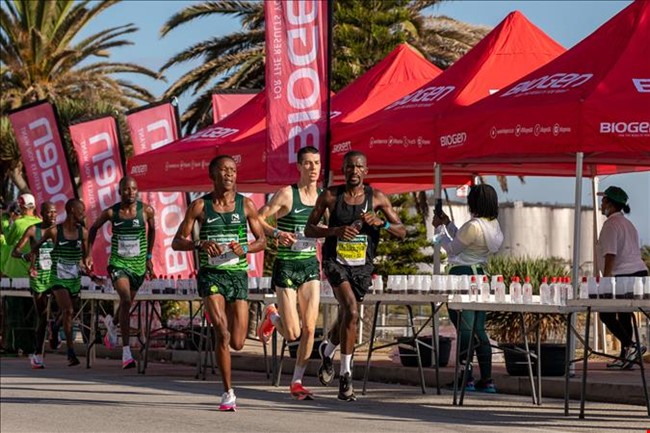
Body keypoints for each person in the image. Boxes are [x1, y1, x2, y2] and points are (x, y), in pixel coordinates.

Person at [305, 150, 405, 402]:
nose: (354, 171)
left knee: (346, 316)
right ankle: (346, 375)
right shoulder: (330, 196)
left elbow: (402, 231)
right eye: (350, 166)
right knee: (351, 310)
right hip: (335, 263)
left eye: (359, 167)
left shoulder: (377, 198)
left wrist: (381, 223)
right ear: (343, 169)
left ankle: (327, 350)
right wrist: (335, 230)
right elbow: (309, 229)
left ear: (366, 171)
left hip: (362, 267)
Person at [172, 155, 265, 411]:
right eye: (223, 170)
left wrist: (245, 248)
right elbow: (177, 242)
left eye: (233, 170)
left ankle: (268, 318)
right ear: (212, 175)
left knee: (238, 342)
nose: (229, 174)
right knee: (222, 332)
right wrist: (200, 243)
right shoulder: (200, 206)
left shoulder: (246, 205)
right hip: (211, 275)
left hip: (237, 276)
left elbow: (262, 241)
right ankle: (228, 392)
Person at [256, 146, 322, 400]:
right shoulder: (287, 194)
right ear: (299, 166)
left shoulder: (322, 197)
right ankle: (272, 316)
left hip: (310, 266)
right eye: (308, 163)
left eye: (317, 163)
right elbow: (258, 218)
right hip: (286, 266)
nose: (313, 168)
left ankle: (297, 381)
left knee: (310, 328)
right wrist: (276, 233)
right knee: (293, 333)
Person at [432, 184, 504, 393]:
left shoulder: (473, 226)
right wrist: (448, 224)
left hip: (461, 276)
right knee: (478, 329)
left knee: (464, 328)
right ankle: (487, 379)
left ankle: (465, 377)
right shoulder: (493, 226)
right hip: (480, 276)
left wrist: (438, 230)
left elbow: (452, 248)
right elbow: (462, 240)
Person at [88, 176, 155, 369]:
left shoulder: (146, 211)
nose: (130, 192)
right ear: (120, 192)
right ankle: (126, 353)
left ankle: (112, 322)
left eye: (134, 189)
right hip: (118, 263)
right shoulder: (111, 212)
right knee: (125, 300)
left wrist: (149, 257)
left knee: (127, 303)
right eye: (126, 189)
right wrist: (88, 254)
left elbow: (153, 231)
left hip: (138, 266)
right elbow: (93, 228)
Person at [30, 199, 90, 366]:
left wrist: (88, 261)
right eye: (81, 211)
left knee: (71, 311)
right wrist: (32, 265)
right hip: (57, 278)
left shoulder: (83, 233)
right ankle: (70, 353)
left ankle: (56, 327)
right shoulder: (55, 231)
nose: (84, 214)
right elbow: (35, 248)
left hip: (74, 279)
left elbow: (86, 255)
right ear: (72, 211)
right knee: (68, 310)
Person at [597, 186, 648, 369]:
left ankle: (631, 346)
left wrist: (606, 280)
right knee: (624, 314)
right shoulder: (628, 224)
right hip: (639, 273)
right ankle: (626, 356)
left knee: (606, 314)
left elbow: (610, 254)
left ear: (610, 204)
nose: (601, 204)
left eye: (603, 201)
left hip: (624, 275)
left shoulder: (611, 225)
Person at [11, 202, 57, 368]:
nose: (53, 215)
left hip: (55, 276)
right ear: (41, 214)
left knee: (65, 307)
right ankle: (37, 354)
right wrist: (25, 257)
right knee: (42, 316)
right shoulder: (33, 230)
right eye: (49, 212)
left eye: (55, 212)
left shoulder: (58, 231)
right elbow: (15, 251)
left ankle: (55, 328)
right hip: (38, 277)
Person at [1, 194, 41, 277]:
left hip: (17, 272)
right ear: (34, 206)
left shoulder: (19, 223)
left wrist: (5, 218)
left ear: (21, 207)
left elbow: (8, 241)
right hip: (35, 272)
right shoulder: (40, 222)